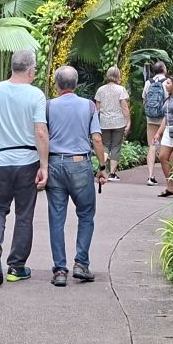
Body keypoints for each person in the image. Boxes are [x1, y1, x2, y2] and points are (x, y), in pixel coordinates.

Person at [0, 50, 49, 286]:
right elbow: (40, 132)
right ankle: (16, 267)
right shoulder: (36, 95)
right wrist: (44, 165)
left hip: (0, 162)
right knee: (24, 215)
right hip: (27, 162)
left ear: (13, 67)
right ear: (31, 71)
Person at [44, 66, 108, 286]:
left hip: (54, 163)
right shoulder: (88, 106)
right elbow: (97, 138)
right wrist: (102, 167)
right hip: (80, 164)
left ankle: (60, 271)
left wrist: (42, 165)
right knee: (86, 214)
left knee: (56, 218)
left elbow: (42, 135)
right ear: (76, 84)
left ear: (56, 85)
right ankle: (81, 264)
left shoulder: (48, 106)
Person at [92, 67, 131, 181]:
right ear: (118, 76)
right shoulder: (121, 89)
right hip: (118, 122)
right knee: (116, 147)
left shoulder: (101, 90)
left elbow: (97, 109)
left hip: (104, 122)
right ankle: (112, 174)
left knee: (105, 146)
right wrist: (128, 121)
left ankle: (101, 168)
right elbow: (124, 107)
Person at [141, 61, 168, 186]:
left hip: (151, 118)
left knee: (152, 146)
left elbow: (144, 100)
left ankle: (151, 176)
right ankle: (172, 174)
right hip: (164, 119)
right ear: (164, 69)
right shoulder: (167, 82)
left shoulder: (148, 82)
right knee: (168, 146)